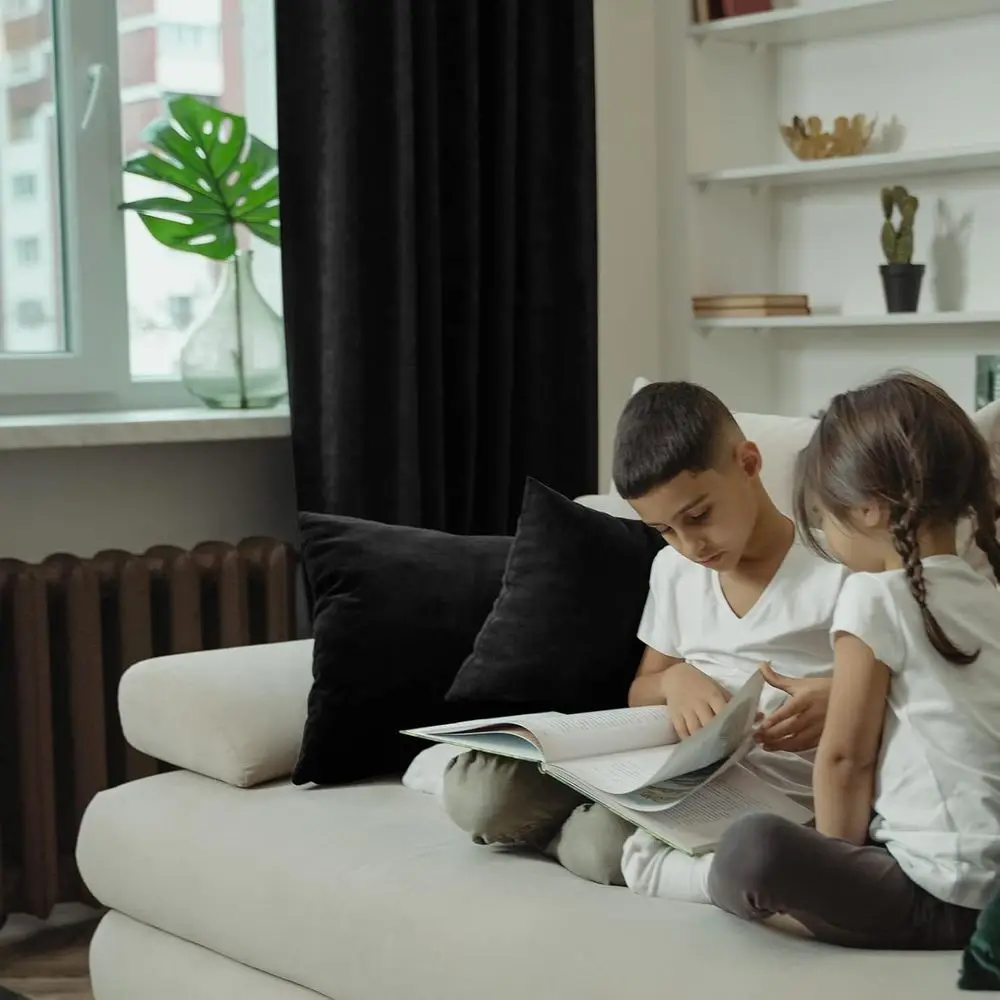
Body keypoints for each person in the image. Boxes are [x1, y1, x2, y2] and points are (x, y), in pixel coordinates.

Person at [441, 381, 846, 895]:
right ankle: (576, 821)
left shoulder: (840, 568)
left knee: (604, 846)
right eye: (664, 530)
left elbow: (916, 688)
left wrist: (843, 699)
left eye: (698, 516)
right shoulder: (675, 570)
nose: (690, 544)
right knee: (479, 793)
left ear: (748, 463)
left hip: (761, 784)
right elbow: (642, 688)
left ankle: (569, 835)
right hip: (662, 762)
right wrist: (676, 680)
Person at [709, 372, 1000, 950]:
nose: (823, 532)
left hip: (941, 898)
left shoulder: (874, 597)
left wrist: (834, 855)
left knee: (751, 850)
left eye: (823, 515)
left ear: (869, 510)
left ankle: (677, 873)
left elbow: (845, 759)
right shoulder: (988, 599)